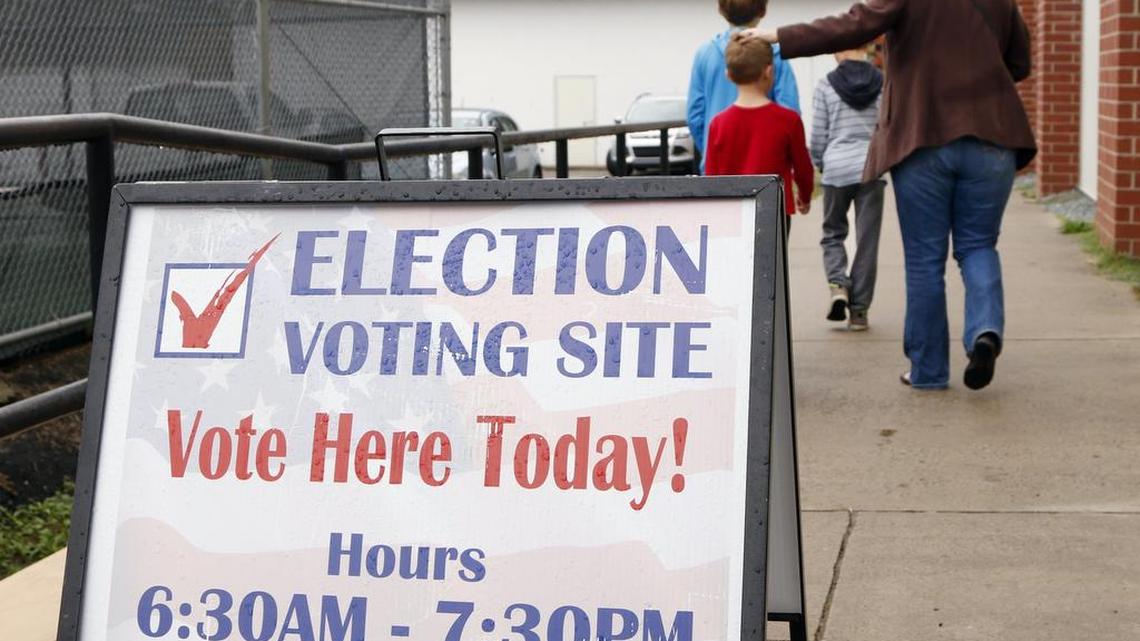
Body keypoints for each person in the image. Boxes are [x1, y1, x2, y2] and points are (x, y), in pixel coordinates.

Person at [750, 0, 1036, 391]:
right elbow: (1020, 64)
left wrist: (780, 37)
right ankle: (985, 331)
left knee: (924, 261)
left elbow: (856, 24)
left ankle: (929, 371)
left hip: (924, 137)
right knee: (979, 246)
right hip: (992, 140)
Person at [810, 46, 885, 332]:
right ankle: (860, 312)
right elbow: (887, 126)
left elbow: (819, 133)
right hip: (870, 167)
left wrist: (820, 162)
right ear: (865, 49)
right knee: (868, 240)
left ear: (839, 52)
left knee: (833, 233)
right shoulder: (882, 82)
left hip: (837, 168)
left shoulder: (826, 84)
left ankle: (838, 284)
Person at [705, 33, 814, 222]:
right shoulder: (789, 120)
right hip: (775, 211)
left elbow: (712, 177)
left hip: (732, 214)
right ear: (769, 71)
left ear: (728, 75)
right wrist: (804, 196)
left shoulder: (718, 123)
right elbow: (803, 169)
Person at [687, 0, 801, 175]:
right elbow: (789, 109)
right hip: (767, 168)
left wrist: (712, 148)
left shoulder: (705, 53)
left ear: (721, 10)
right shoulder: (775, 54)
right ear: (763, 10)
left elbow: (695, 116)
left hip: (719, 166)